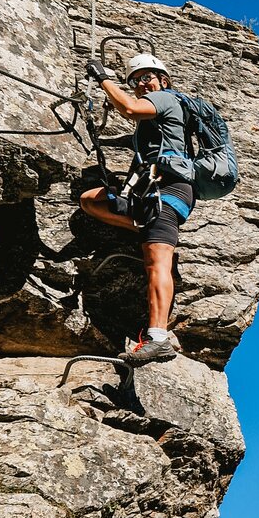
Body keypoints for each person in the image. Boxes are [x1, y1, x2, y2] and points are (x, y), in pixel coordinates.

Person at [79, 54, 195, 365]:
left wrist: (103, 79)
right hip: (147, 194)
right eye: (136, 80)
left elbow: (130, 108)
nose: (142, 83)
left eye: (147, 77)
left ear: (163, 81)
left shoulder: (167, 99)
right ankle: (143, 228)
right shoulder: (153, 123)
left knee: (156, 264)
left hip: (169, 191)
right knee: (91, 200)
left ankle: (158, 337)